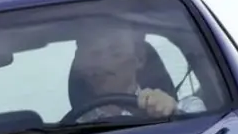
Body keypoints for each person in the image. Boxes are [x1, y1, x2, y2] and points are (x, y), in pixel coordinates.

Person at [70, 22, 207, 123]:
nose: (103, 63)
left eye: (115, 52)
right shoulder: (70, 130)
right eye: (94, 54)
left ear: (139, 58)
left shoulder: (187, 108)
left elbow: (203, 132)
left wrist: (173, 114)